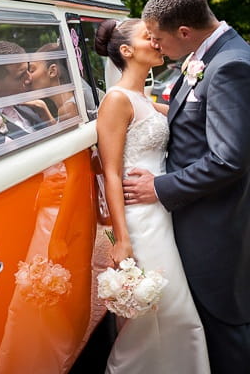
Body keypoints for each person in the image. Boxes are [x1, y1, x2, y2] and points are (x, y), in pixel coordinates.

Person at [122, 0, 250, 374]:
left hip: (216, 225)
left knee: (226, 328)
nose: (157, 47)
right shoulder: (208, 57)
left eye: (159, 38)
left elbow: (229, 159)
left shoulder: (230, 65)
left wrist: (159, 188)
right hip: (196, 218)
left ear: (184, 32)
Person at [94, 18, 210, 373]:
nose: (157, 42)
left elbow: (188, 117)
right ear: (127, 51)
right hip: (139, 220)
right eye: (149, 37)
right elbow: (112, 173)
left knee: (168, 308)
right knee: (166, 307)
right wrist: (122, 238)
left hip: (161, 210)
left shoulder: (142, 97)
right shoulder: (116, 100)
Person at [29, 42, 79, 121]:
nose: (29, 76)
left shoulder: (67, 110)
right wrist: (45, 111)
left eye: (32, 70)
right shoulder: (73, 103)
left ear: (52, 71)